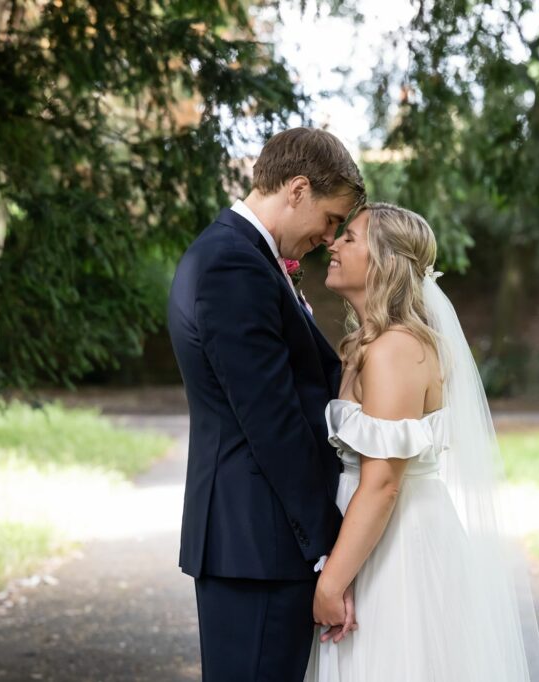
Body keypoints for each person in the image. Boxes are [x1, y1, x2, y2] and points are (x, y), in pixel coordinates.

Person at [305, 203, 539, 681]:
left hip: (398, 550)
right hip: (369, 539)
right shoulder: (366, 345)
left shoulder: (397, 349)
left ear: (385, 260)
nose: (333, 244)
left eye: (350, 238)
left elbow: (382, 483)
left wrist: (332, 582)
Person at [167, 127, 365, 681]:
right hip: (260, 543)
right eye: (330, 219)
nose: (329, 238)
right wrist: (328, 552)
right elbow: (272, 421)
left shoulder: (245, 256)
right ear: (298, 189)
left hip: (260, 541)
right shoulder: (234, 265)